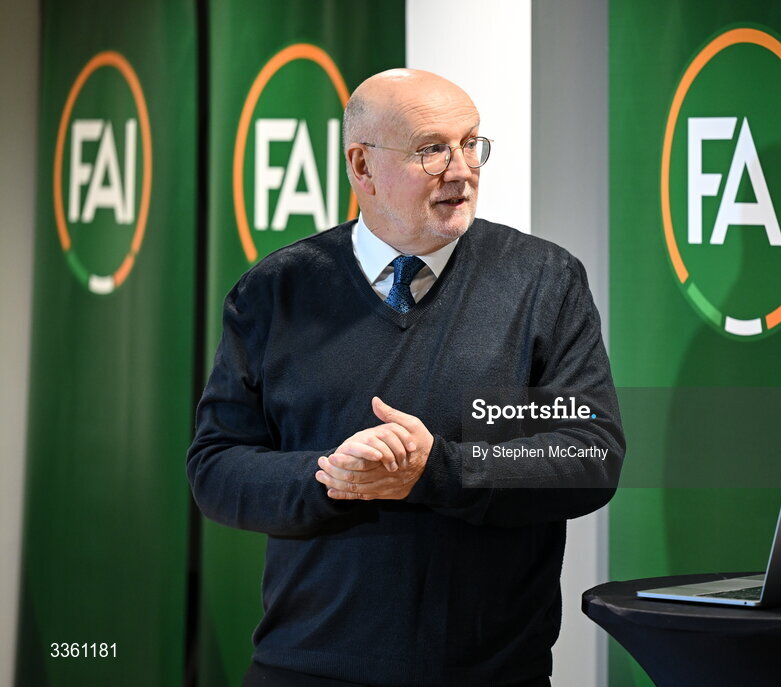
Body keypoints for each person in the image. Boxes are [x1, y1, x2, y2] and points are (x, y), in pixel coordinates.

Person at [187, 68, 624, 687]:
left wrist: (435, 470)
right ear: (361, 165)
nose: (462, 169)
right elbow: (216, 468)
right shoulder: (276, 290)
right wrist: (333, 476)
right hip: (303, 668)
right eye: (432, 149)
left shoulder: (542, 280)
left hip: (488, 674)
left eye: (472, 144)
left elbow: (589, 456)